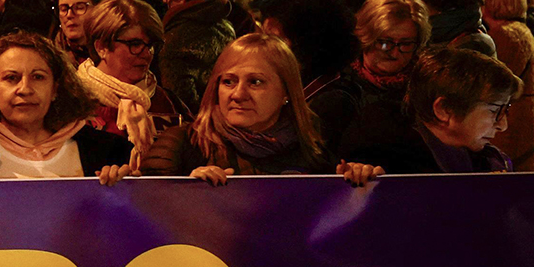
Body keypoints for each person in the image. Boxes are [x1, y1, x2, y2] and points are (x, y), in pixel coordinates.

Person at [142, 33, 380, 185]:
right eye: (228, 81)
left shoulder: (313, 153)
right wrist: (185, 193)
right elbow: (143, 223)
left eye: (255, 82)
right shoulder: (181, 144)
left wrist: (357, 183)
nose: (238, 94)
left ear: (287, 92)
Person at [0, 32, 132, 188]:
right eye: (11, 78)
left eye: (38, 77)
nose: (25, 89)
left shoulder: (108, 153)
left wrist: (128, 192)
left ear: (56, 88)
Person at [341, 47, 519, 174]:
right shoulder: (383, 164)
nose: (503, 125)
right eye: (495, 110)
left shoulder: (490, 162)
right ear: (444, 109)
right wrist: (360, 182)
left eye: (507, 109)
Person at [308, 0, 429, 155]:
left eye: (406, 44)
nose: (394, 53)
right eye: (385, 43)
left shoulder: (426, 87)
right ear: (366, 36)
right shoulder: (334, 84)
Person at [74, 0, 180, 159]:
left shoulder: (166, 101)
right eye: (135, 44)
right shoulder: (73, 101)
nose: (146, 54)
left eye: (151, 45)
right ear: (101, 47)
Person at [157, 0, 237, 114]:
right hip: (227, 117)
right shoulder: (225, 26)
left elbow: (179, 103)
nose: (164, 1)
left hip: (197, 129)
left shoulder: (176, 39)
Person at [481, 0, 534, 171]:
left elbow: (494, 80)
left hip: (512, 119)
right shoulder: (518, 30)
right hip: (522, 115)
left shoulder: (506, 35)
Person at [54, 0, 99, 68]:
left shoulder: (113, 52)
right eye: (63, 9)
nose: (69, 15)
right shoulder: (51, 58)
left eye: (79, 8)